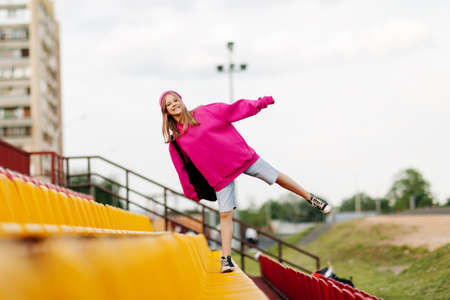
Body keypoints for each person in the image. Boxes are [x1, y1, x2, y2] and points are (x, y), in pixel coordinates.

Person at [160, 90, 331, 273]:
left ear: (181, 100)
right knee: (225, 215)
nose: (174, 105)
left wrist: (260, 103)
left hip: (241, 157)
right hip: (219, 176)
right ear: (166, 112)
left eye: (175, 100)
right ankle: (226, 259)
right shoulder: (176, 141)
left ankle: (310, 197)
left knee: (275, 176)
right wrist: (191, 193)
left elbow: (234, 110)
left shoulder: (205, 112)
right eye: (169, 104)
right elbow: (182, 170)